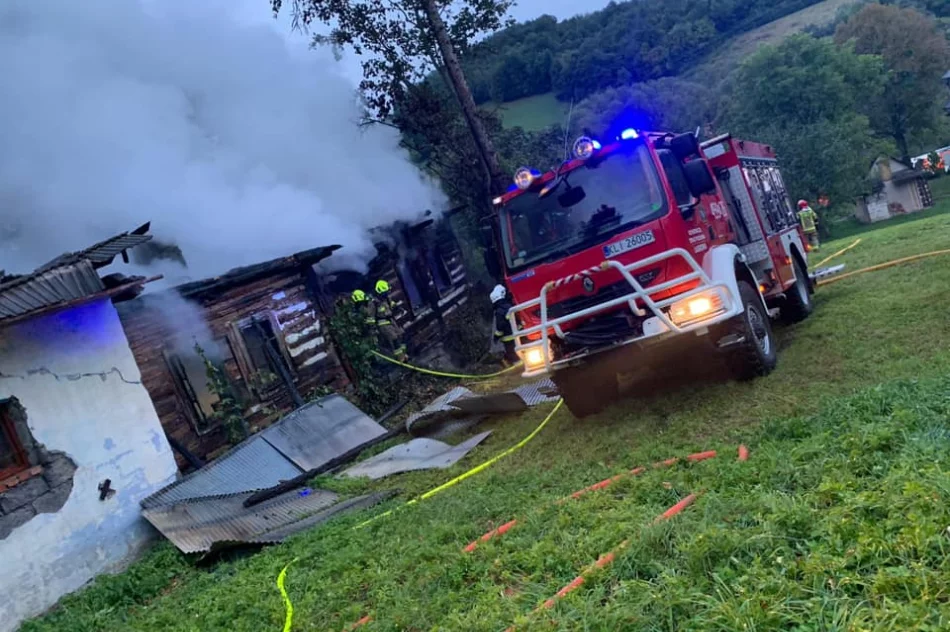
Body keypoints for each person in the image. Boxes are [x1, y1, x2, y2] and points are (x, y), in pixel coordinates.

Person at [373, 279, 408, 362]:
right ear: (380, 292)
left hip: (391, 320)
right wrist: (373, 329)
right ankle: (400, 358)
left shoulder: (387, 298)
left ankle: (404, 354)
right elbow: (371, 317)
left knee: (401, 335)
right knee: (394, 339)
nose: (387, 293)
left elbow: (392, 304)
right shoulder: (375, 303)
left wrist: (398, 308)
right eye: (385, 292)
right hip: (383, 324)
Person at [490, 284, 518, 365]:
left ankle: (515, 365)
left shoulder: (499, 311)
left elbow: (500, 327)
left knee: (514, 356)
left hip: (508, 339)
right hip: (519, 334)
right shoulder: (510, 306)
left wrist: (496, 337)